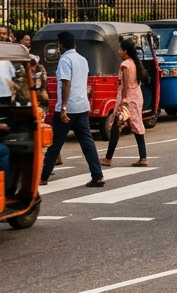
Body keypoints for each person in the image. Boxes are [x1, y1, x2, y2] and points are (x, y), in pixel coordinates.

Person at [39, 31, 105, 188]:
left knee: (55, 144)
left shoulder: (65, 60)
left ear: (61, 45)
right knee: (87, 143)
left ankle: (43, 177)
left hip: (68, 108)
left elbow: (66, 83)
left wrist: (63, 107)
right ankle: (98, 175)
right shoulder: (82, 59)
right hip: (82, 106)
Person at [100, 38, 149, 168]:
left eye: (120, 49)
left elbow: (125, 85)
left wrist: (124, 101)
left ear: (125, 51)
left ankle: (108, 158)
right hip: (136, 98)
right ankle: (143, 157)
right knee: (136, 125)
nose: (118, 52)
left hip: (128, 100)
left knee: (117, 127)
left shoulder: (125, 65)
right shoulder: (135, 63)